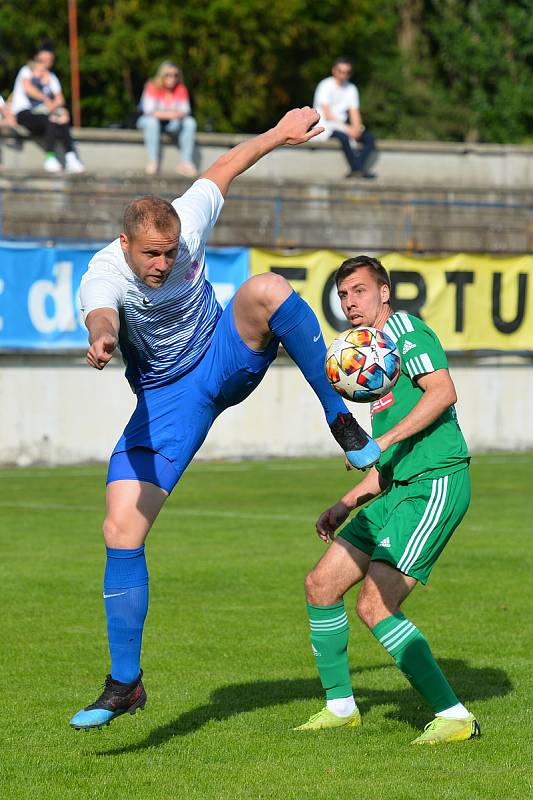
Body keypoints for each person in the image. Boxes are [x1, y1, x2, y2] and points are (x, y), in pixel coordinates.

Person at [68, 107, 381, 730]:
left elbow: (228, 164)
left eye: (169, 252)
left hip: (222, 352)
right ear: (125, 245)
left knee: (265, 288)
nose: (163, 263)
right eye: (151, 255)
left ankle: (339, 420)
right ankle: (126, 683)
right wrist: (102, 338)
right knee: (120, 531)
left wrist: (280, 135)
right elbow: (99, 312)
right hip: (166, 399)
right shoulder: (104, 273)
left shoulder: (186, 221)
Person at [295, 255, 480, 745]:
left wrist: (380, 443)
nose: (349, 302)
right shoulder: (370, 355)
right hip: (398, 488)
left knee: (375, 604)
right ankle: (340, 708)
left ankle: (455, 716)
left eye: (358, 291)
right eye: (342, 295)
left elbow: (442, 392)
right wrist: (346, 502)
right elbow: (389, 459)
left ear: (384, 292)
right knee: (321, 585)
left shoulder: (405, 331)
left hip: (434, 485)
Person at [10, 46, 84, 173]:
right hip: (25, 113)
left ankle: (71, 156)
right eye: (43, 58)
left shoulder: (52, 77)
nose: (46, 61)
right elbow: (28, 89)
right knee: (51, 119)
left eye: (49, 59)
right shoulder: (26, 71)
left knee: (62, 119)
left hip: (44, 113)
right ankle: (50, 158)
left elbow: (60, 99)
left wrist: (56, 109)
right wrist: (47, 100)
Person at [313, 56, 377, 179]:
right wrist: (349, 129)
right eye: (341, 71)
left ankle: (356, 168)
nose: (343, 75)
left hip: (342, 126)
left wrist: (357, 129)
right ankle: (358, 169)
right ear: (334, 71)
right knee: (343, 137)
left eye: (347, 72)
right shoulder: (325, 85)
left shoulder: (351, 88)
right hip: (326, 126)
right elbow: (327, 115)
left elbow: (354, 112)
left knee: (369, 138)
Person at [137, 60, 197, 176]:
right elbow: (149, 111)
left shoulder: (181, 89)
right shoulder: (152, 86)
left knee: (190, 122)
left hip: (172, 124)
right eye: (169, 75)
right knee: (152, 122)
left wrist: (169, 115)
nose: (172, 78)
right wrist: (172, 114)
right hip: (148, 121)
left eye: (176, 75)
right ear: (162, 75)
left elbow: (185, 111)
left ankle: (186, 162)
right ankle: (153, 161)